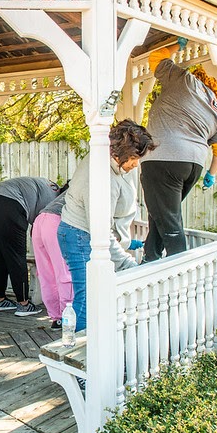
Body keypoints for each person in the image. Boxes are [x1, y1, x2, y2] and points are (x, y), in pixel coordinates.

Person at [57, 120, 156, 332]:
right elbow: (100, 230)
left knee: (93, 294)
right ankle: (81, 352)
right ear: (123, 151)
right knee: (88, 297)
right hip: (79, 234)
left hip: (81, 233)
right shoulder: (102, 176)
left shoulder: (113, 166)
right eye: (135, 158)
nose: (137, 164)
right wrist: (127, 263)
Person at [141, 37, 217, 262]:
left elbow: (156, 58)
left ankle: (181, 269)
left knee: (169, 221)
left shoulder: (184, 80)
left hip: (163, 158)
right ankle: (149, 259)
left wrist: (177, 46)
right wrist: (211, 174)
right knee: (161, 215)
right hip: (193, 165)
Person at [0, 177, 58, 317]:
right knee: (17, 258)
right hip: (8, 204)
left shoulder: (47, 185)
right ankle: (23, 304)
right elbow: (41, 227)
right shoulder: (54, 196)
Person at [32, 183, 74, 330]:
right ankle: (67, 316)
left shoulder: (63, 195)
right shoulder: (86, 188)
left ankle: (56, 318)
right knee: (64, 272)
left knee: (46, 274)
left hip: (39, 220)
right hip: (56, 221)